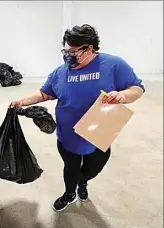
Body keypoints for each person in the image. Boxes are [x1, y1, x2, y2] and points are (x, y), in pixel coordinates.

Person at [11, 24, 145, 212]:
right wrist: (22, 101)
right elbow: (44, 93)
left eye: (73, 52)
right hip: (68, 133)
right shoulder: (60, 72)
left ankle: (83, 182)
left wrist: (123, 96)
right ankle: (69, 193)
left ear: (89, 48)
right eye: (65, 51)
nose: (68, 56)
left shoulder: (113, 65)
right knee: (70, 168)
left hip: (99, 133)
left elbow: (137, 88)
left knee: (93, 168)